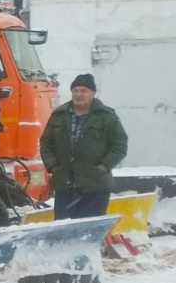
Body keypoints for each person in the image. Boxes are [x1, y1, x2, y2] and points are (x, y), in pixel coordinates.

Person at [40, 73, 129, 219]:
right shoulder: (59, 115)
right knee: (64, 230)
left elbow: (119, 145)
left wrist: (103, 166)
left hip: (95, 186)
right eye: (75, 90)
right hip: (65, 185)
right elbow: (46, 143)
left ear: (93, 93)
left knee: (89, 230)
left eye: (83, 91)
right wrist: (54, 167)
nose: (78, 94)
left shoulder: (106, 116)